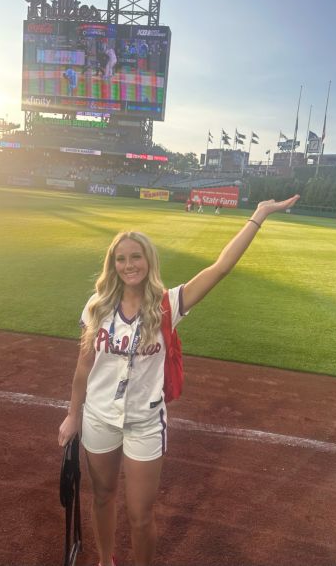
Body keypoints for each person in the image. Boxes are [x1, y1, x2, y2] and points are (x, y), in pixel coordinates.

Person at [58, 193, 300, 566]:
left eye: (135, 257)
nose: (128, 265)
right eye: (120, 259)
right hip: (99, 418)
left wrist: (259, 214)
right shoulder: (97, 305)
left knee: (141, 515)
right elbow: (83, 367)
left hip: (144, 422)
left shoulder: (168, 304)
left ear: (148, 260)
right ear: (113, 264)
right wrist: (73, 415)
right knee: (103, 496)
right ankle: (106, 561)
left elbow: (219, 268)